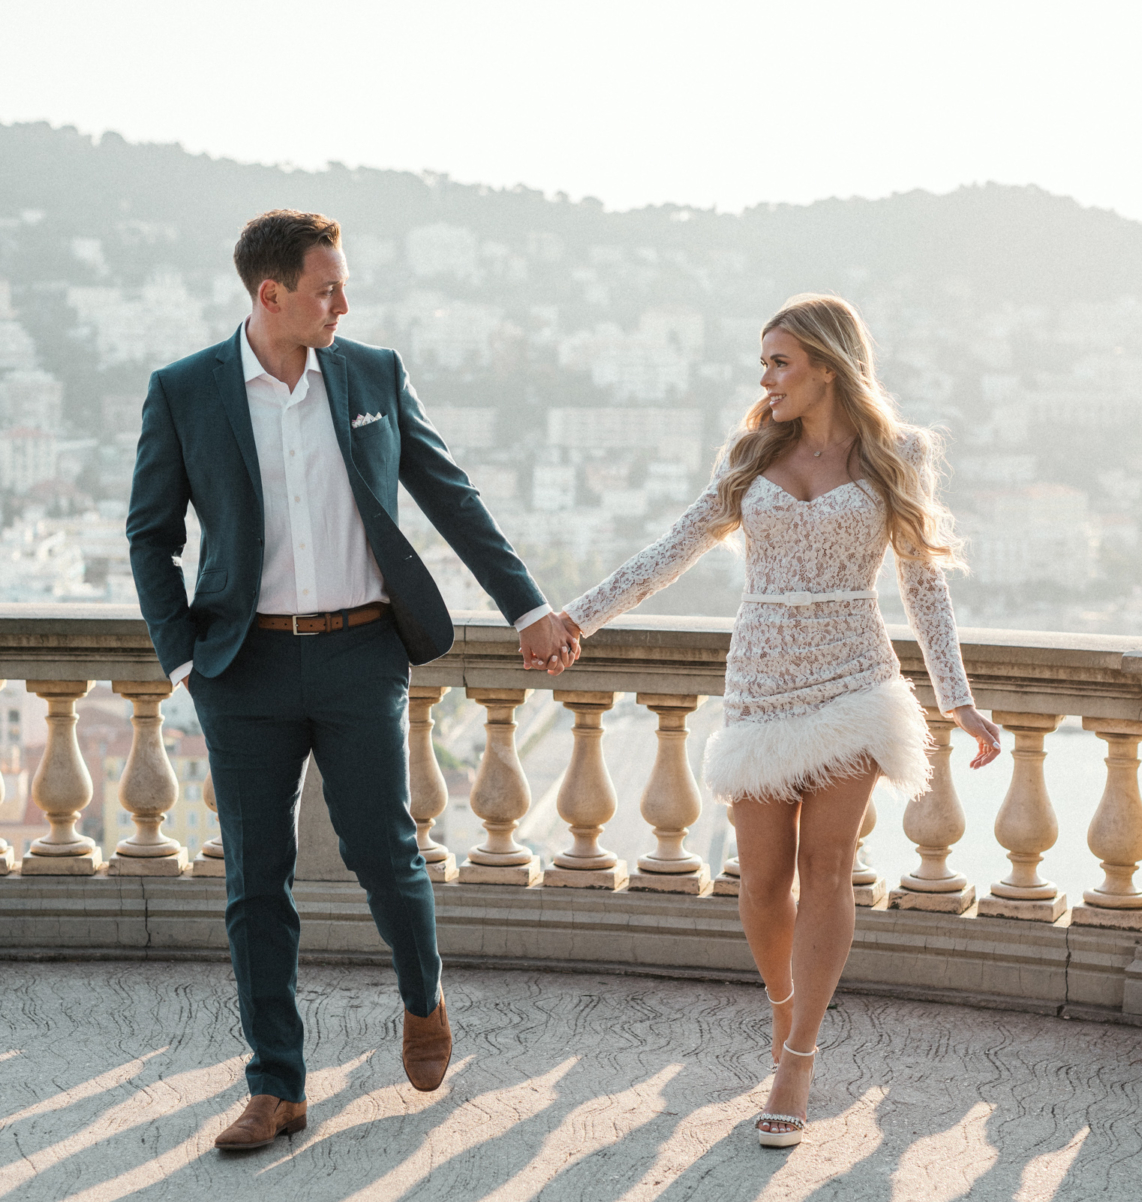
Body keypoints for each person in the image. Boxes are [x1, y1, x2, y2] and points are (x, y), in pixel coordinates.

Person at [127, 209, 580, 1152]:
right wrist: (184, 659)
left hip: (360, 651)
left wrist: (527, 605)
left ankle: (423, 998)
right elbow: (151, 534)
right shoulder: (184, 392)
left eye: (343, 284)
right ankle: (276, 1085)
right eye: (327, 287)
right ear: (271, 295)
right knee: (256, 880)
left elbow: (451, 495)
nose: (344, 301)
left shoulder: (373, 374)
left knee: (384, 851)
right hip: (241, 667)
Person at [557, 293, 999, 1148]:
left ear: (827, 365)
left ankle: (797, 1059)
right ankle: (785, 1009)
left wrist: (958, 700)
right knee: (761, 883)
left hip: (854, 677)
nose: (764, 378)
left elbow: (923, 584)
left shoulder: (893, 454)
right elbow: (670, 552)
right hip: (760, 679)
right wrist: (577, 618)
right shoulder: (752, 452)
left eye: (779, 362)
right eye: (764, 362)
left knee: (828, 865)